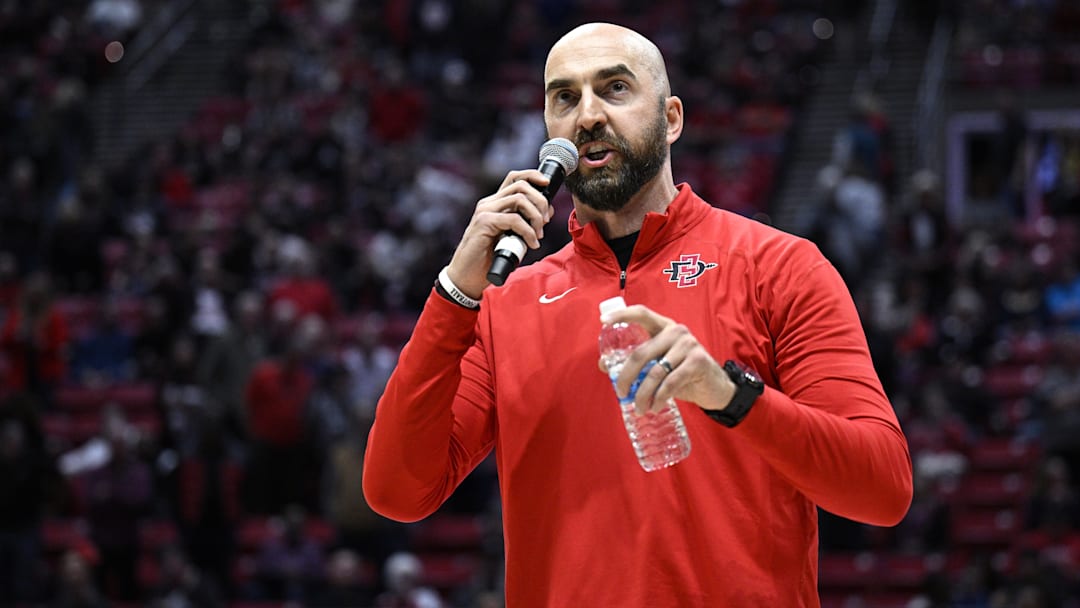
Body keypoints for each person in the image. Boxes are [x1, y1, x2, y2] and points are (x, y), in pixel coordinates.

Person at [363, 22, 913, 606]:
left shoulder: (779, 267)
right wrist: (455, 292)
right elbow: (397, 490)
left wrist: (732, 397)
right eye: (564, 97)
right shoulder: (506, 304)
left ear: (671, 118)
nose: (588, 115)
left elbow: (882, 489)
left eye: (615, 88)